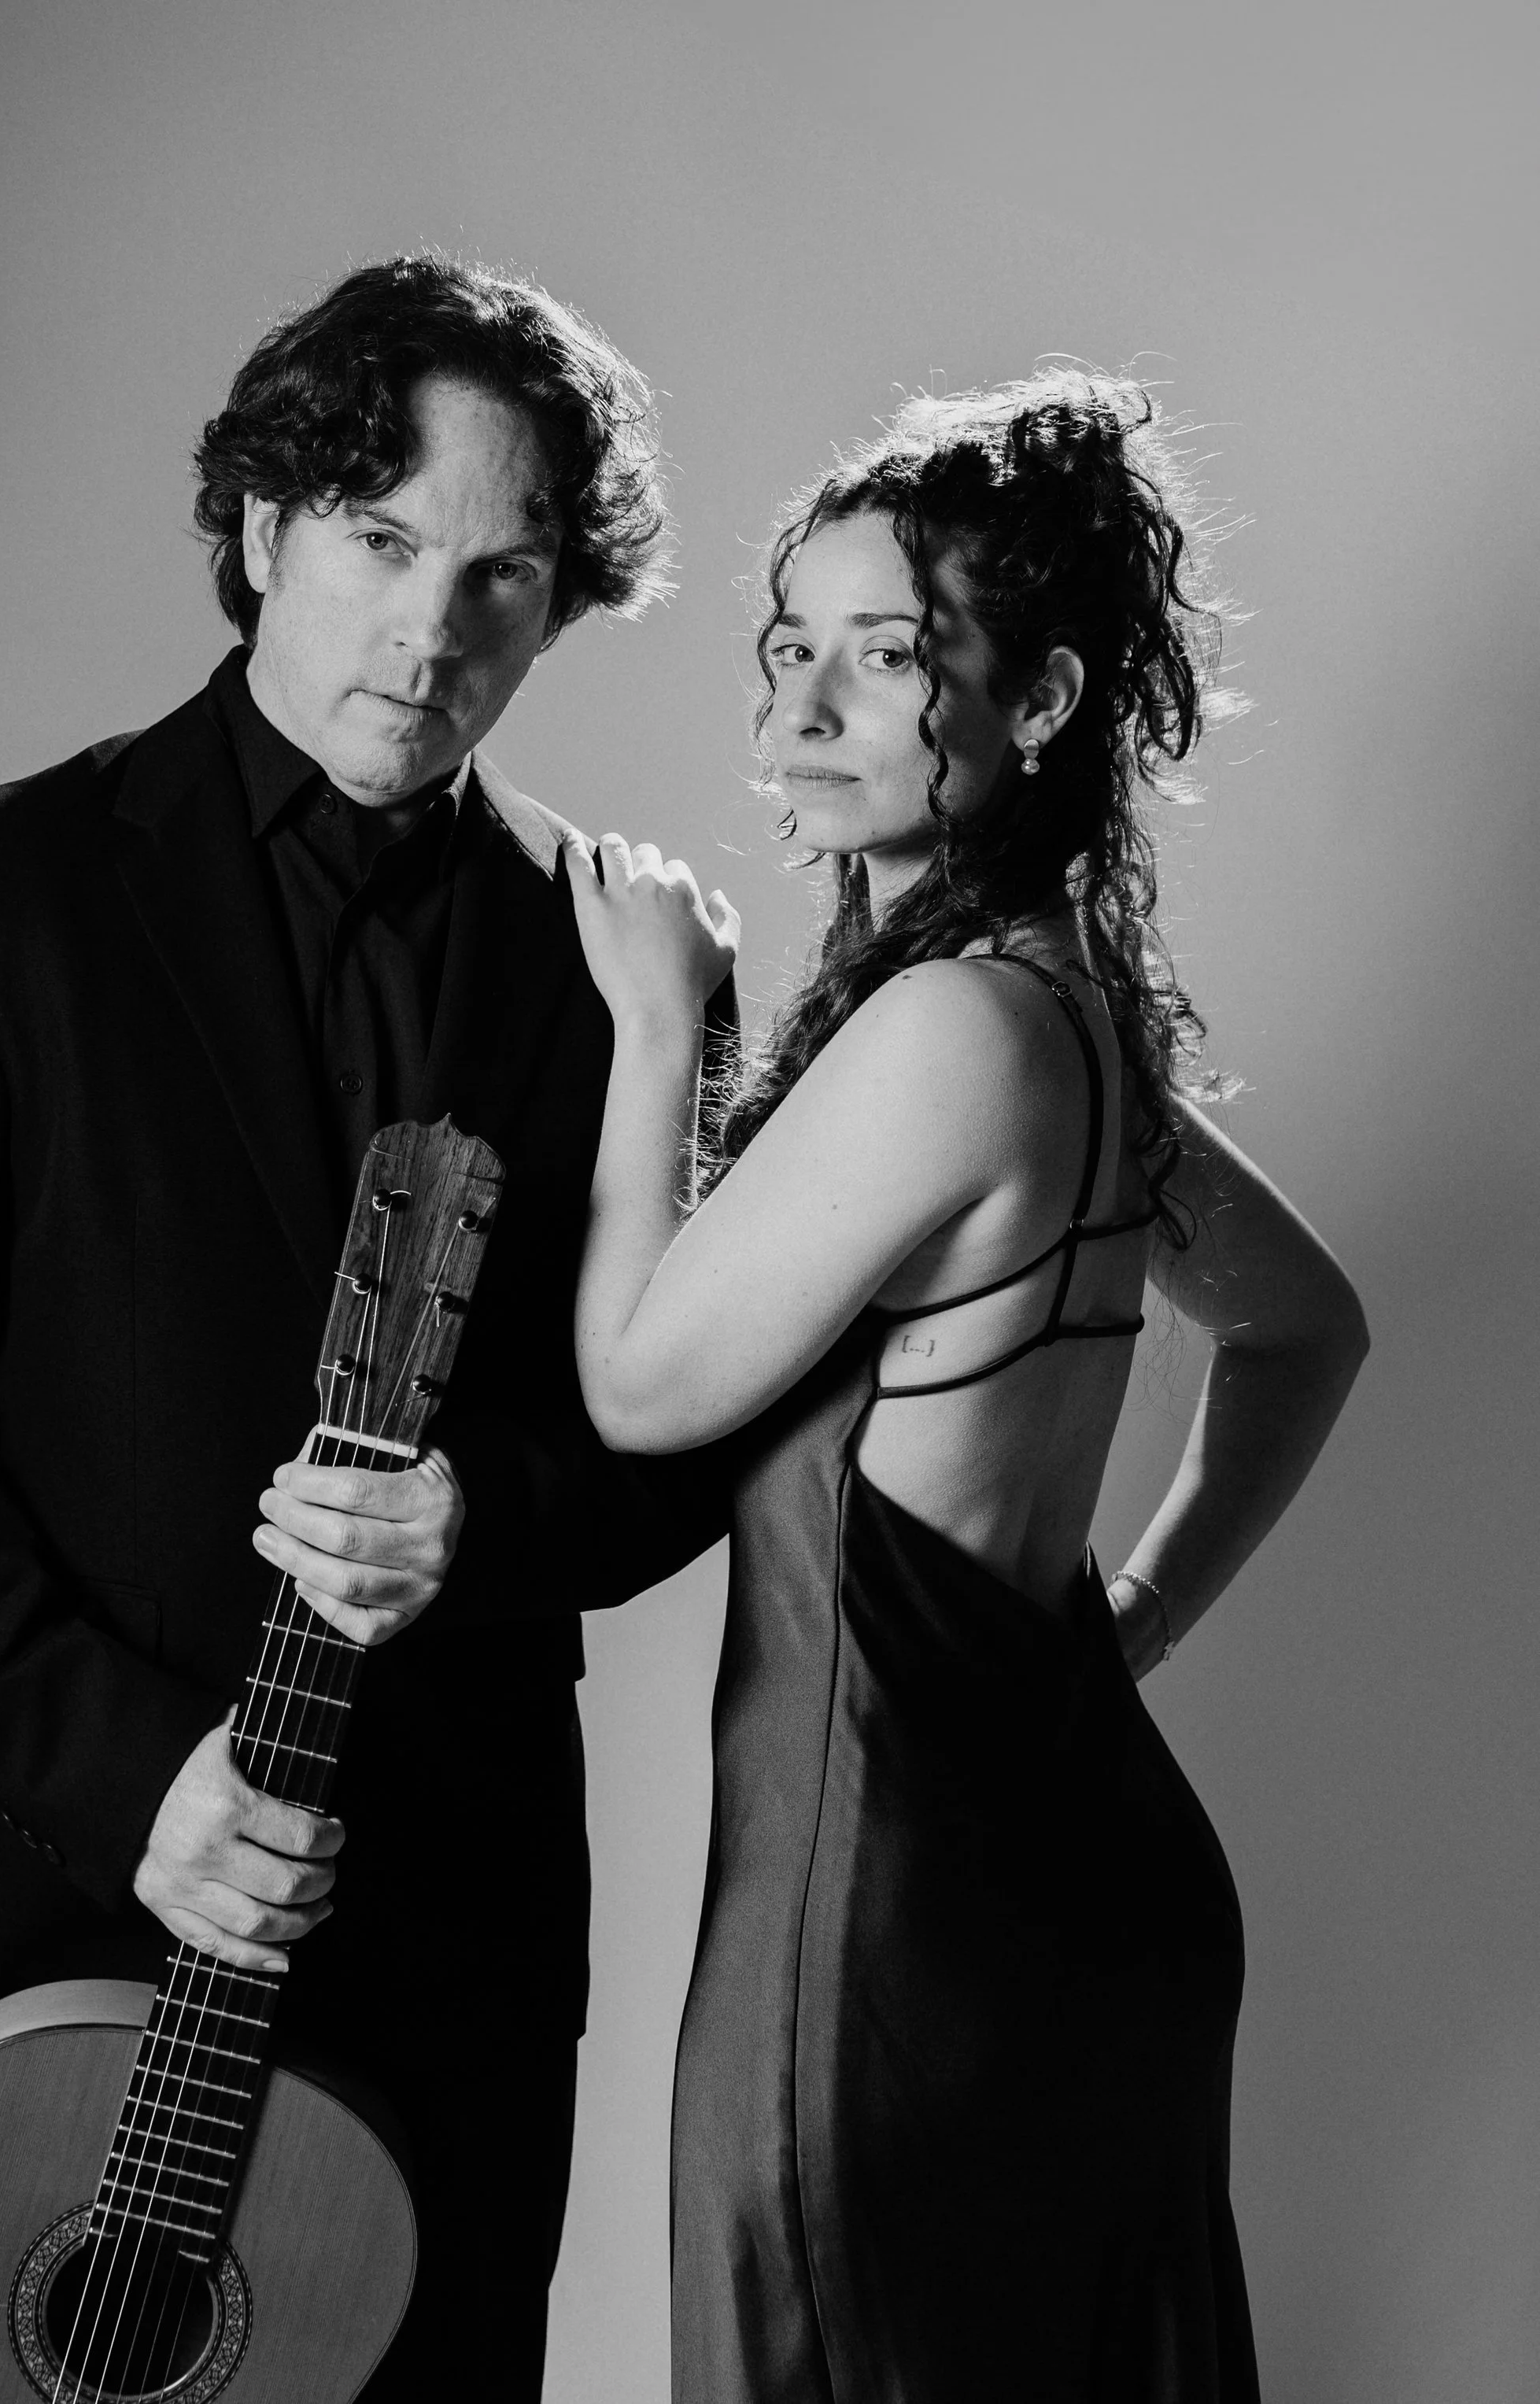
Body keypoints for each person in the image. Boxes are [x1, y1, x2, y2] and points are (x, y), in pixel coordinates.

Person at [0, 253, 727, 2401]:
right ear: (268, 525)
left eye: (502, 572)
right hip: (45, 1877)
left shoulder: (621, 962)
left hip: (438, 1928)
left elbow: (677, 1429)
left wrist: (482, 1519)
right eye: (381, 542)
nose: (431, 628)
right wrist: (132, 1782)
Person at [562, 373, 1368, 2401]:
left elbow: (645, 1392)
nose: (808, 707)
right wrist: (1132, 1624)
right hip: (1065, 1901)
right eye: (791, 649)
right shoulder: (1054, 1018)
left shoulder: (951, 1032)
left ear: (1043, 698)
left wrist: (653, 1037)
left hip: (895, 1946)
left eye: (891, 654)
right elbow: (1307, 1325)